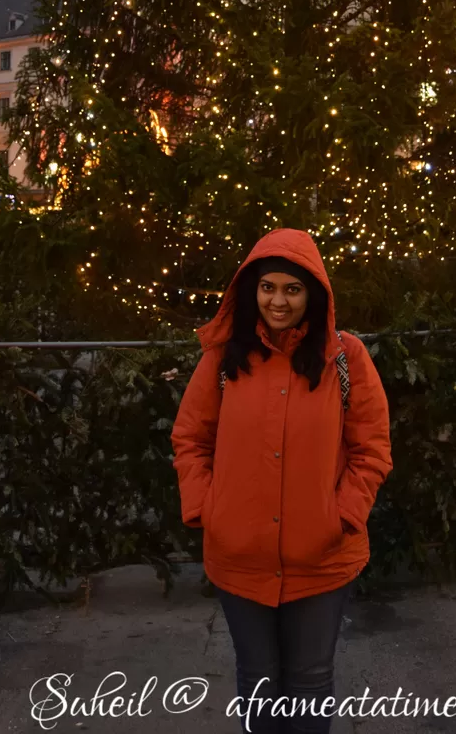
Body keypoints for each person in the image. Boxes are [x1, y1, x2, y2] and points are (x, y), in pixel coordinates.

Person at [172, 229, 392, 734]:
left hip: (321, 556)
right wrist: (209, 508)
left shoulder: (345, 358)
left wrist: (342, 515)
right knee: (258, 681)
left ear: (313, 293)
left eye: (292, 289)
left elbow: (372, 447)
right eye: (268, 287)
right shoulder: (224, 357)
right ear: (251, 290)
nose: (278, 300)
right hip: (240, 555)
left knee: (311, 680)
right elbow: (190, 439)